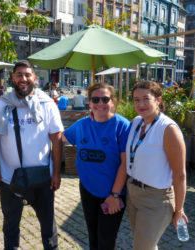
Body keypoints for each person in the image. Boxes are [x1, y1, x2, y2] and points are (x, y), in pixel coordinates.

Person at [0, 60, 63, 250]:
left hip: (42, 178)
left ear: (35, 78)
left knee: (48, 226)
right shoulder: (2, 105)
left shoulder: (47, 104)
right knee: (10, 226)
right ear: (12, 78)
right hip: (9, 178)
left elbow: (56, 139)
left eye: (27, 75)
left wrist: (56, 174)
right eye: (19, 74)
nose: (23, 79)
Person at [63, 83, 130, 250]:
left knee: (106, 240)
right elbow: (60, 137)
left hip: (113, 193)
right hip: (87, 189)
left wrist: (115, 195)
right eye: (95, 99)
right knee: (92, 236)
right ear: (90, 103)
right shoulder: (82, 125)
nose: (100, 103)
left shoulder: (122, 125)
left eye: (105, 99)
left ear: (113, 102)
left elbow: (125, 163)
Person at [126, 80, 188, 250]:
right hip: (133, 193)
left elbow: (180, 174)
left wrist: (179, 209)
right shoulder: (136, 123)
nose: (140, 104)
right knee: (146, 245)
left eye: (146, 99)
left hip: (156, 199)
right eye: (136, 99)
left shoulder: (168, 129)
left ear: (158, 100)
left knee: (142, 247)